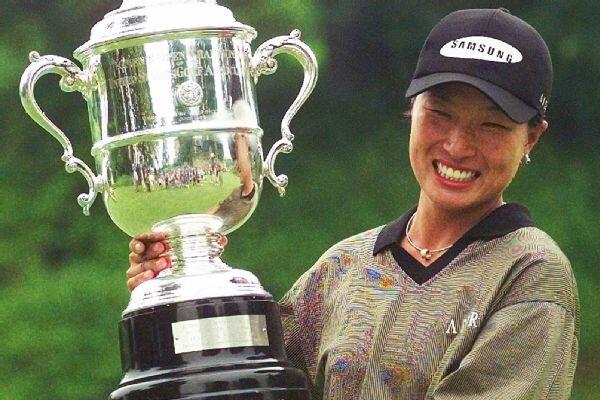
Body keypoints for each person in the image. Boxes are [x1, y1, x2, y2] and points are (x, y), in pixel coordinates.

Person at [125, 8, 579, 399]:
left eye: (492, 125)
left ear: (531, 138)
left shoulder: (530, 273)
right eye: (440, 114)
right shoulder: (343, 267)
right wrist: (177, 298)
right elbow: (247, 382)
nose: (458, 146)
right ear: (412, 110)